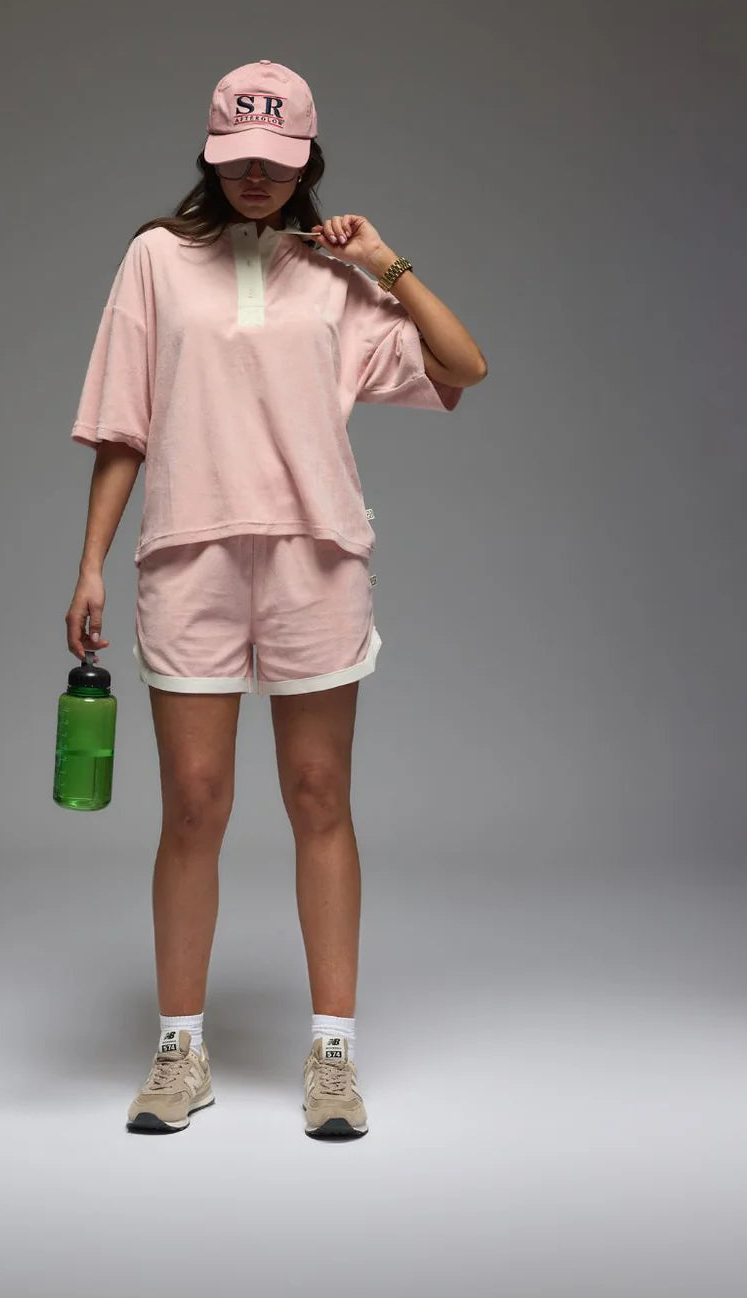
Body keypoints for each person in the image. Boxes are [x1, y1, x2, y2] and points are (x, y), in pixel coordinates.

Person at [65, 60, 487, 1139]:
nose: (256, 175)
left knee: (317, 796)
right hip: (188, 554)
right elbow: (122, 425)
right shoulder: (155, 260)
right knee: (193, 803)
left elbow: (464, 366)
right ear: (213, 154)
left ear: (307, 161)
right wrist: (90, 563)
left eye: (278, 159)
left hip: (315, 557)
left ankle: (332, 1055)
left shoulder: (336, 278)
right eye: (239, 157)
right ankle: (180, 1051)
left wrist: (385, 262)